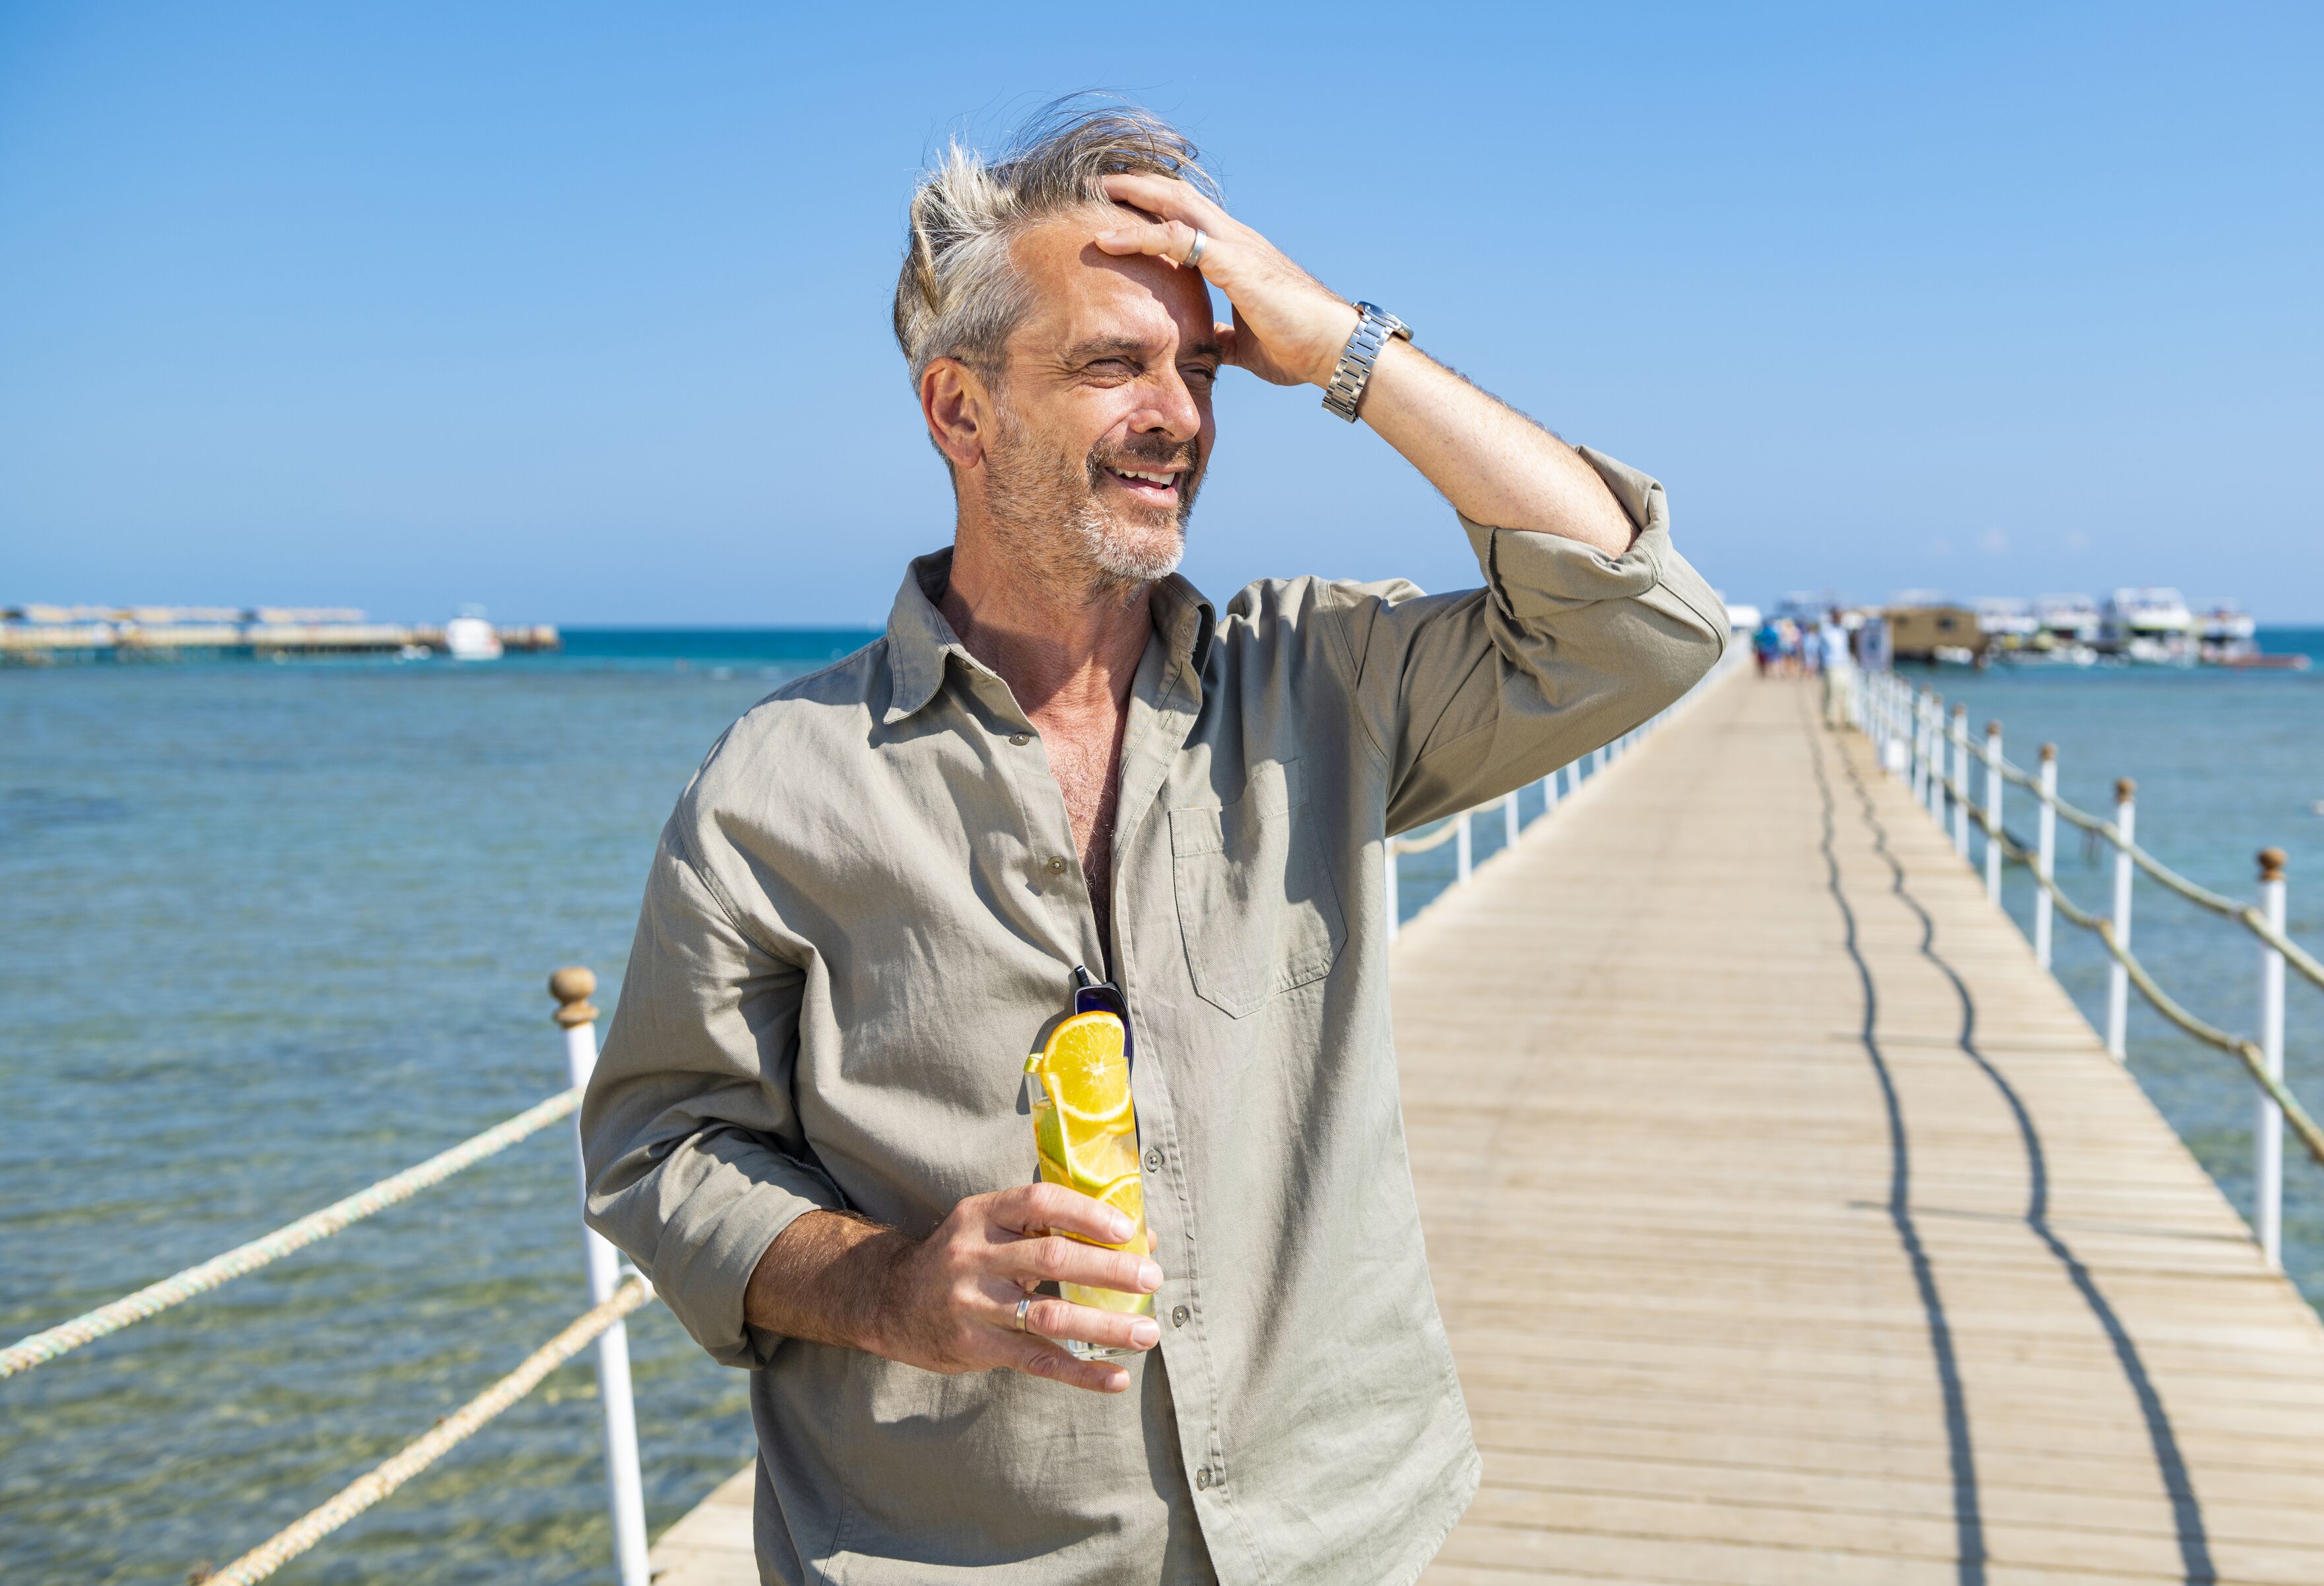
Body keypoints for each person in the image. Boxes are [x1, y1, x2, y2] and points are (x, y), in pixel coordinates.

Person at [580, 100, 1727, 1586]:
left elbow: (1642, 626)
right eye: (1113, 362)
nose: (1179, 412)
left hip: (1336, 1537)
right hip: (953, 1558)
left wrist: (1340, 351)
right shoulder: (779, 783)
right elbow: (664, 1149)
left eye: (1197, 366)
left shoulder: (1315, 679)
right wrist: (895, 1287)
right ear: (960, 410)